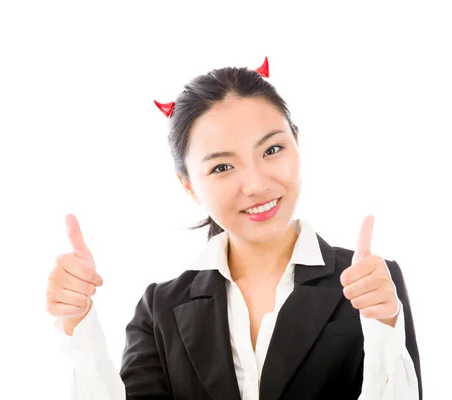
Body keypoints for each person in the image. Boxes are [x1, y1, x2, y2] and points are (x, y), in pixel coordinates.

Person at [46, 58, 423, 400]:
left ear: (296, 141)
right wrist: (79, 327)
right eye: (222, 167)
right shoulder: (160, 310)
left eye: (272, 150)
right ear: (189, 185)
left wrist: (384, 328)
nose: (256, 184)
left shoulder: (369, 283)